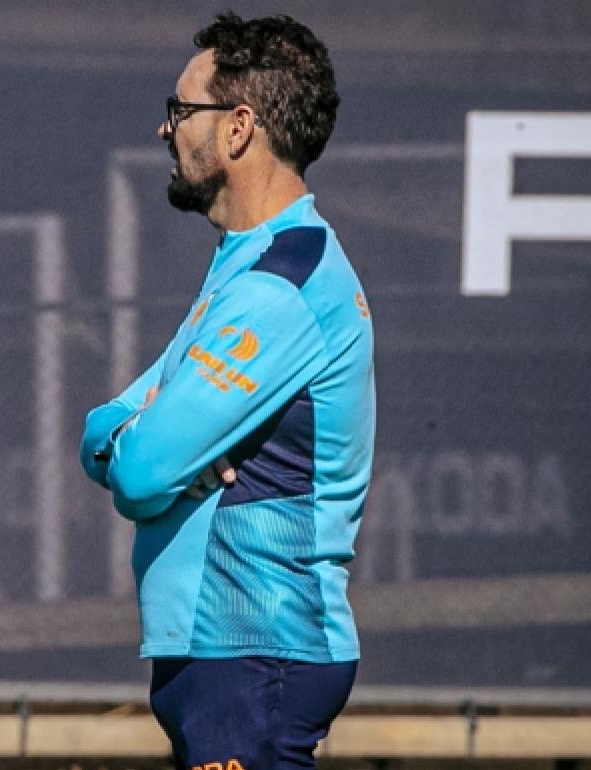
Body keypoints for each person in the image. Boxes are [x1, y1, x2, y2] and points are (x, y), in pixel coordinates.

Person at [79, 12, 374, 769]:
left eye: (181, 111)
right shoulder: (251, 263)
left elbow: (140, 473)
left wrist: (143, 454)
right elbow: (107, 428)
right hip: (224, 650)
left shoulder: (280, 285)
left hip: (253, 646)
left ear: (238, 128)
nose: (164, 129)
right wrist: (135, 443)